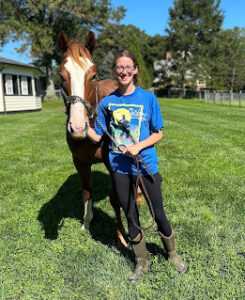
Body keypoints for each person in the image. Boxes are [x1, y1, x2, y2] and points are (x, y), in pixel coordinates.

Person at [87, 49, 188, 283]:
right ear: (114, 71)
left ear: (135, 70)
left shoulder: (148, 98)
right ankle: (141, 262)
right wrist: (83, 129)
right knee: (131, 215)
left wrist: (138, 146)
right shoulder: (107, 103)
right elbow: (97, 135)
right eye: (119, 68)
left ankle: (172, 254)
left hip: (145, 165)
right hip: (120, 168)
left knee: (158, 213)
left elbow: (158, 134)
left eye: (127, 67)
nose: (123, 71)